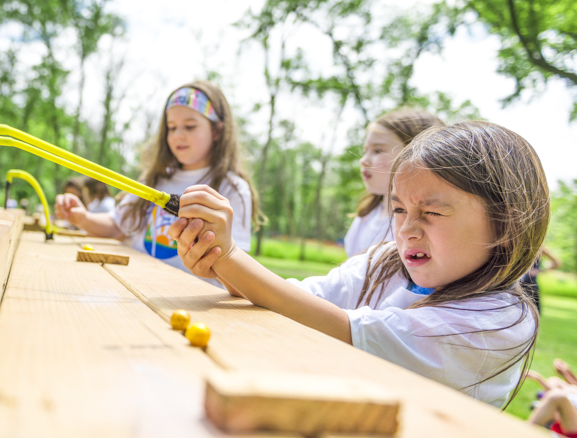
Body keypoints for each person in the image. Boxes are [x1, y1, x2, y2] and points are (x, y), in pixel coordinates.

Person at [170, 121, 547, 408]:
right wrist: (219, 261)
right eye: (398, 209)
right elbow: (295, 301)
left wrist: (232, 258)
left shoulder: (497, 323)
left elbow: (346, 330)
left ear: (506, 227)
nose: (407, 230)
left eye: (431, 211)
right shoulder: (384, 263)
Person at [55, 81, 260, 288]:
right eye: (172, 127)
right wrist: (82, 217)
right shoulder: (153, 179)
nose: (179, 134)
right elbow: (116, 225)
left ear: (217, 131)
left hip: (193, 305)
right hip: (135, 290)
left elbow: (237, 271)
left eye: (190, 126)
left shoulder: (232, 188)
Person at [344, 109, 445, 257]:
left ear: (417, 155)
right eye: (365, 150)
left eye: (378, 151)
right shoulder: (365, 216)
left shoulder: (421, 227)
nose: (363, 160)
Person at [520, 246, 561, 314]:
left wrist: (539, 271)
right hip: (519, 284)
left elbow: (557, 263)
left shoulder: (539, 247)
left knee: (531, 314)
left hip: (529, 285)